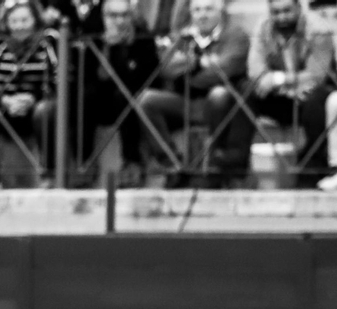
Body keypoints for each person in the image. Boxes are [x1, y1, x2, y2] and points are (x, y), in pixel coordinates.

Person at [136, 0, 250, 186]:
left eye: (208, 9)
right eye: (197, 10)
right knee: (145, 100)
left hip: (221, 105)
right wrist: (199, 63)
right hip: (186, 101)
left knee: (219, 94)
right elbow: (166, 68)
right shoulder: (183, 36)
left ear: (220, 10)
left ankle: (217, 165)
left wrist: (189, 71)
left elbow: (225, 70)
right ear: (190, 12)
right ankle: (172, 165)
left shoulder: (236, 35)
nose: (202, 15)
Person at [0, 0, 58, 187]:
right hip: (6, 106)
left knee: (45, 112)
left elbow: (56, 78)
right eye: (14, 21)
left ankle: (49, 174)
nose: (20, 26)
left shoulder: (46, 43)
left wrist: (33, 98)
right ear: (6, 23)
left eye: (25, 20)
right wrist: (4, 100)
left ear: (35, 20)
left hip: (35, 106)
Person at [245, 0, 332, 188]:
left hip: (308, 97)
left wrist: (277, 80)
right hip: (282, 96)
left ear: (299, 9)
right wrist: (285, 84)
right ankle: (235, 164)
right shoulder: (263, 28)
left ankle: (313, 167)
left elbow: (317, 75)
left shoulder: (318, 29)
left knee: (317, 98)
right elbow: (255, 71)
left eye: (286, 11)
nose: (281, 17)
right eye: (276, 12)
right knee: (245, 92)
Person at [73, 0, 158, 187]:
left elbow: (142, 79)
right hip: (100, 101)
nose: (119, 21)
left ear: (131, 16)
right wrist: (107, 48)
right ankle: (84, 162)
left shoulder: (143, 38)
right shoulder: (93, 38)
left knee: (123, 96)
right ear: (103, 17)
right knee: (85, 95)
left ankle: (132, 163)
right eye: (113, 15)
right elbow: (89, 76)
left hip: (130, 102)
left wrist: (124, 49)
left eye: (124, 15)